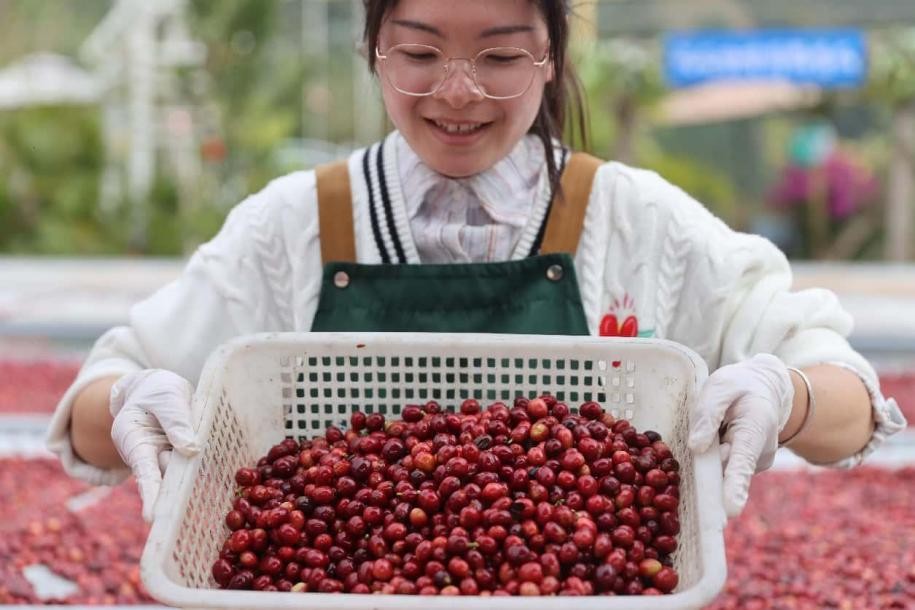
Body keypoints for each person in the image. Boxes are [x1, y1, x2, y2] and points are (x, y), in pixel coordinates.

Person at [48, 0, 905, 523]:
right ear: (372, 52)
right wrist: (128, 398)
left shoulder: (639, 221)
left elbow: (844, 401)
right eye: (419, 53)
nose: (456, 91)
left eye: (498, 56)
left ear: (551, 59)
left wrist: (785, 396)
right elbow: (99, 406)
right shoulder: (294, 226)